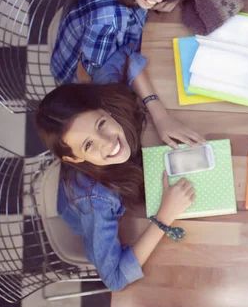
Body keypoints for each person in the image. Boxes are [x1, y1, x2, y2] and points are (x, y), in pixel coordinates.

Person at [50, 0, 229, 148]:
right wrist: (161, 115)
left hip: (105, 40)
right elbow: (110, 71)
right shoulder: (108, 22)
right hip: (85, 74)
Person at [35, 56, 202, 291]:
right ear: (74, 158)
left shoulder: (101, 97)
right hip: (89, 216)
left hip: (126, 178)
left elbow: (128, 57)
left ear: (104, 109)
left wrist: (160, 115)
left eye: (101, 125)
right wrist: (165, 217)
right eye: (88, 145)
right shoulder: (96, 201)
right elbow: (114, 278)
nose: (107, 142)